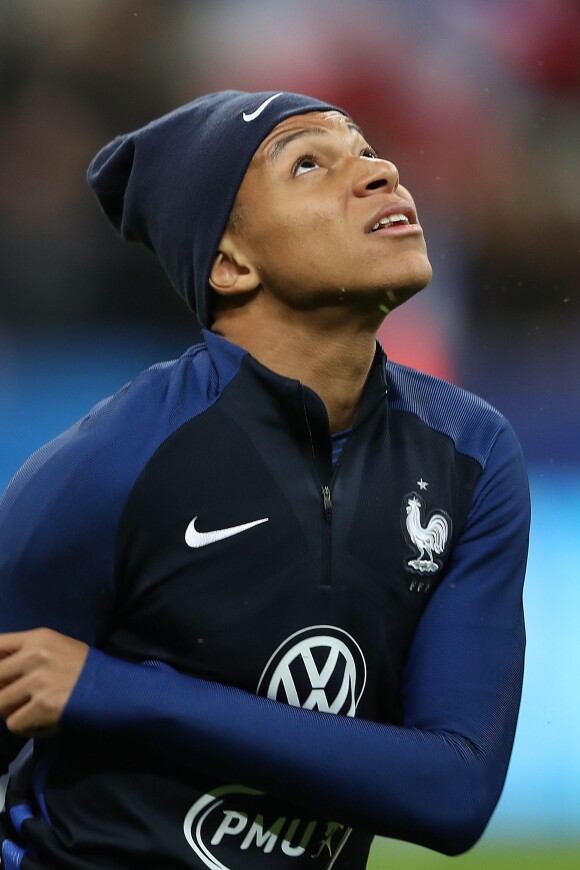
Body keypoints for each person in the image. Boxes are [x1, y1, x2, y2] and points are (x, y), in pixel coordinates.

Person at [0, 90, 530, 869]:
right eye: (310, 163)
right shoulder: (113, 461)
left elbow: (453, 790)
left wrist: (117, 691)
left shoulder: (471, 455)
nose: (380, 172)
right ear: (230, 262)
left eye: (368, 149)